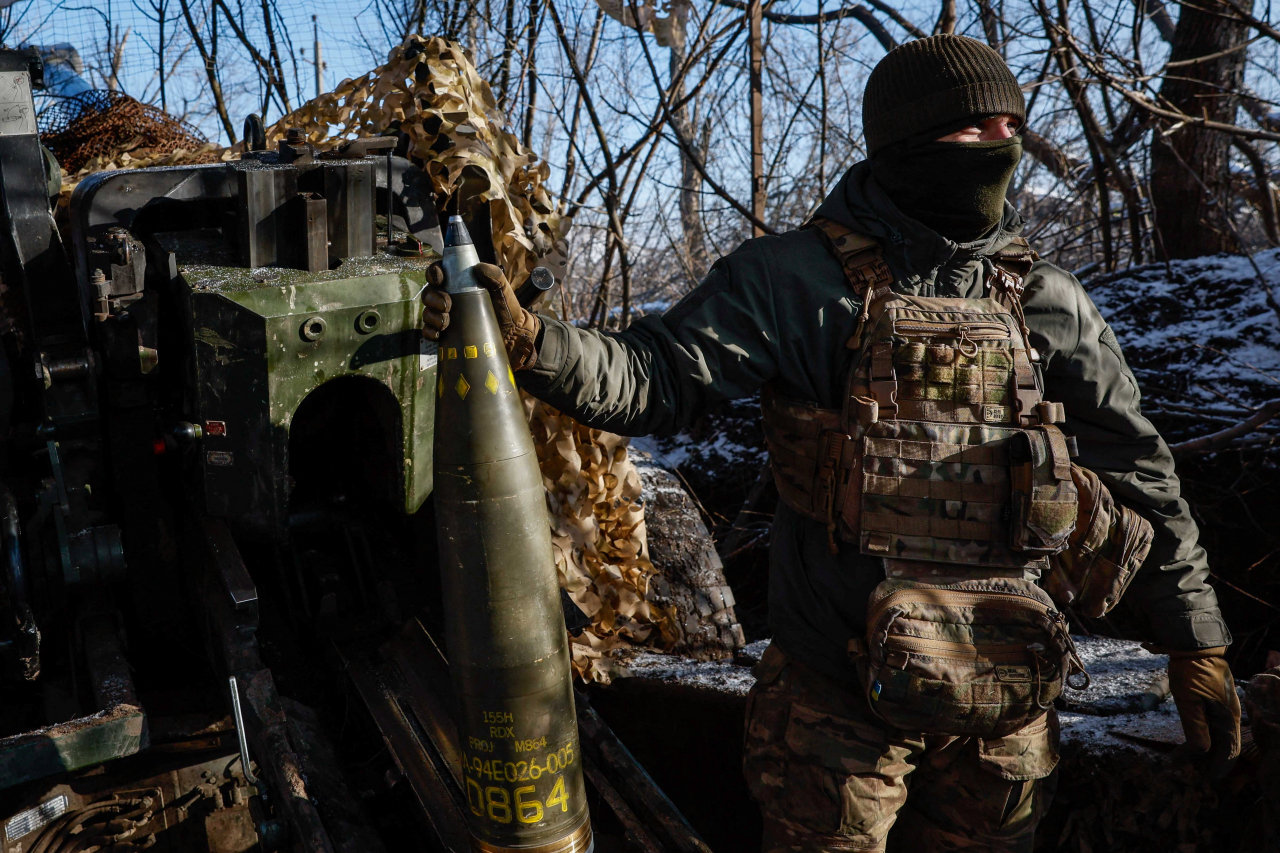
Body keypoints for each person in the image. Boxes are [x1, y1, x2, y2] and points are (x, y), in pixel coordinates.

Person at [422, 34, 1240, 853]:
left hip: (1006, 702)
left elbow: (1139, 470)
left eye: (1010, 126)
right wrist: (534, 341)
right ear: (908, 143)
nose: (1003, 145)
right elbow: (654, 373)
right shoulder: (792, 280)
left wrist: (1195, 637)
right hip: (838, 705)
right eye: (975, 128)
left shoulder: (1048, 300)